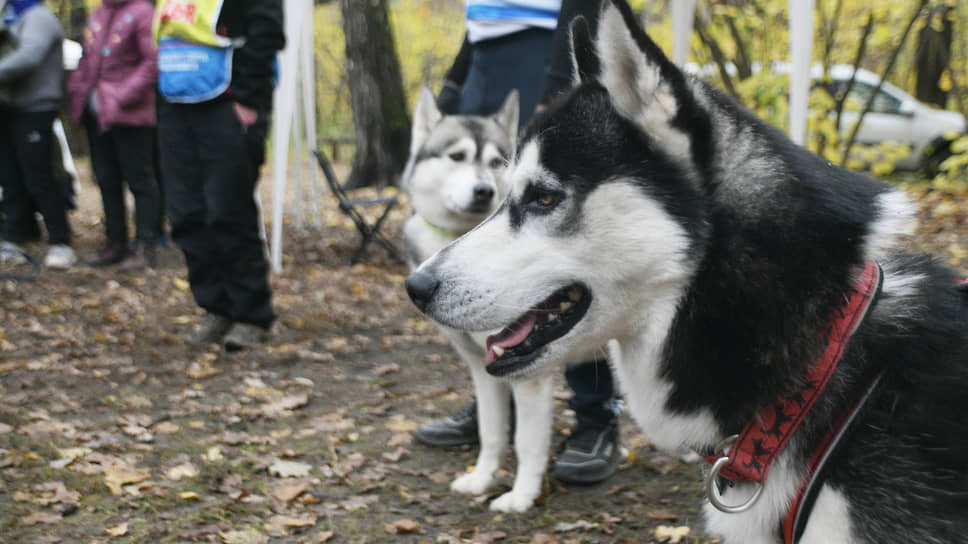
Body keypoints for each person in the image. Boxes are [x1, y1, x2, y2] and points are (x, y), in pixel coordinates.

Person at [414, 0, 622, 486]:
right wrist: (459, 75)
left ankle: (595, 417)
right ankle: (497, 396)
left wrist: (558, 82)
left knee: (555, 239)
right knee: (489, 235)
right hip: (486, 53)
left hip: (549, 43)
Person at [154, 0, 283, 350]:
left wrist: (248, 97)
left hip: (228, 102)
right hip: (176, 102)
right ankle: (216, 307)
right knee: (185, 214)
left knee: (228, 210)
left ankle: (251, 315)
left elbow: (267, 31)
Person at [68, 0, 161, 270]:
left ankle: (145, 246)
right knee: (106, 179)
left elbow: (152, 61)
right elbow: (87, 59)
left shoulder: (143, 12)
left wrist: (122, 95)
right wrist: (78, 90)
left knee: (140, 180)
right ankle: (114, 243)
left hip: (130, 114)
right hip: (96, 114)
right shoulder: (99, 13)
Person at [0, 0, 76, 269]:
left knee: (40, 176)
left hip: (36, 109)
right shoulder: (9, 15)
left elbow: (28, 57)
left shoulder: (39, 17)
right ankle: (15, 236)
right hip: (8, 108)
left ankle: (60, 241)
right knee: (10, 176)